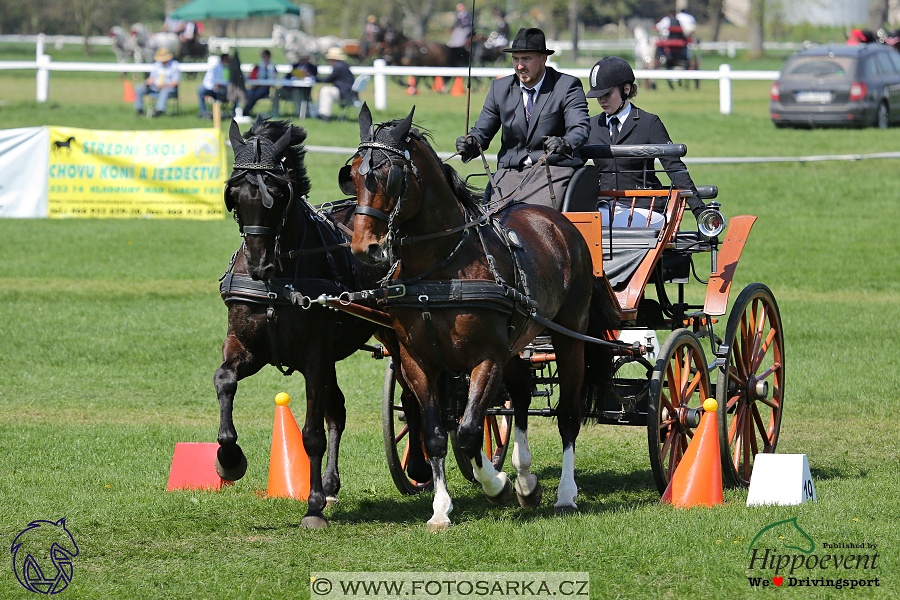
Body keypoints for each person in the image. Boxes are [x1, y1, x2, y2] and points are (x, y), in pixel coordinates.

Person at [456, 27, 590, 210]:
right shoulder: (499, 89)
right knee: (491, 223)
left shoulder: (567, 86)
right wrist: (470, 144)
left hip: (553, 172)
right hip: (510, 174)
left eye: (526, 59)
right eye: (516, 59)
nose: (520, 66)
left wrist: (565, 143)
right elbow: (481, 133)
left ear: (543, 59)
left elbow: (580, 128)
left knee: (535, 219)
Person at [584, 56, 703, 226]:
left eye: (607, 94)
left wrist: (699, 210)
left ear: (626, 89)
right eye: (598, 96)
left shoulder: (649, 123)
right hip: (603, 206)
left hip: (644, 208)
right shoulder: (591, 126)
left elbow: (674, 167)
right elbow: (571, 164)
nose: (602, 100)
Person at [134, 47, 181, 117]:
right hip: (155, 87)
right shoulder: (156, 65)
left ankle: (159, 110)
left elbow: (176, 81)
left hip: (168, 88)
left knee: (164, 90)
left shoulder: (174, 65)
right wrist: (147, 83)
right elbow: (152, 78)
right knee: (138, 88)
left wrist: (165, 85)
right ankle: (139, 110)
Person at [316, 47, 354, 122]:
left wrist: (315, 79)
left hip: (345, 93)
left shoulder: (338, 67)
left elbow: (328, 79)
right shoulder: (343, 65)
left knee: (325, 90)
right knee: (326, 90)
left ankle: (325, 115)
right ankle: (321, 112)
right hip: (349, 92)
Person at [244, 50, 279, 117]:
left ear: (269, 57)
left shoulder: (272, 68)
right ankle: (245, 111)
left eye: (265, 56)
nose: (264, 58)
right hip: (256, 87)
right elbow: (252, 78)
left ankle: (246, 111)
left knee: (257, 93)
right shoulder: (258, 67)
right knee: (249, 92)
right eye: (263, 56)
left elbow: (273, 81)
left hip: (266, 89)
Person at [197, 52, 229, 118]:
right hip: (214, 90)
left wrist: (222, 85)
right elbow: (206, 82)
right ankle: (203, 111)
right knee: (200, 89)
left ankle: (235, 112)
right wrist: (214, 86)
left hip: (226, 90)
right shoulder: (214, 69)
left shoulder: (229, 69)